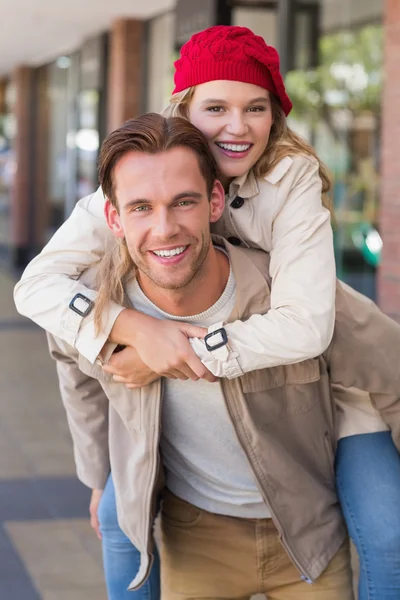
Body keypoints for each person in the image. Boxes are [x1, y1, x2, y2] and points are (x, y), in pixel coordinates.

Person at [14, 26, 400, 599]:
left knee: (389, 532)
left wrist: (175, 353)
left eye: (256, 108)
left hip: (338, 375)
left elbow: (310, 326)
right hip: (246, 359)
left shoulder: (289, 180)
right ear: (185, 109)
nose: (236, 125)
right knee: (119, 512)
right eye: (216, 106)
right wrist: (135, 328)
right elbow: (36, 285)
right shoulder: (146, 177)